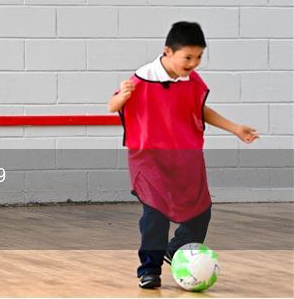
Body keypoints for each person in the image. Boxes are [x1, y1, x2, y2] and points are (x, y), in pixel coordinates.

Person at [108, 21, 258, 289]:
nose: (193, 63)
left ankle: (176, 249)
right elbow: (112, 105)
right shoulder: (143, 77)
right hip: (149, 157)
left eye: (199, 57)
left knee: (201, 210)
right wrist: (123, 96)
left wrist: (236, 128)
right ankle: (149, 269)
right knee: (156, 213)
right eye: (188, 57)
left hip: (183, 156)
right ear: (168, 51)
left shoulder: (191, 80)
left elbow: (200, 110)